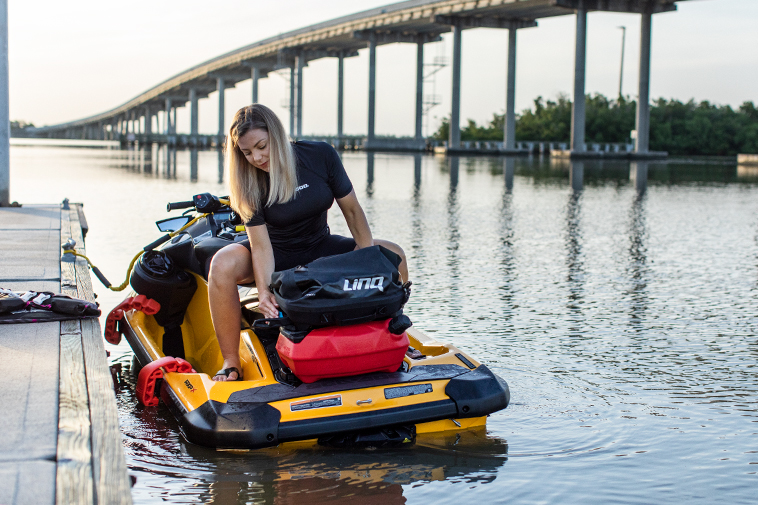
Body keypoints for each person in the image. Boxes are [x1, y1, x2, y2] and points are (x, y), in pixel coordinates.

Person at [208, 104, 408, 381]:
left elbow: (352, 210)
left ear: (276, 135)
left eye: (261, 146)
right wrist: (265, 291)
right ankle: (231, 363)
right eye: (246, 152)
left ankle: (395, 333)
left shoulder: (319, 155)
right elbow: (261, 246)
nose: (256, 157)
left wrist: (369, 257)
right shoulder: (248, 179)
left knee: (393, 254)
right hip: (276, 253)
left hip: (320, 248)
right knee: (222, 263)